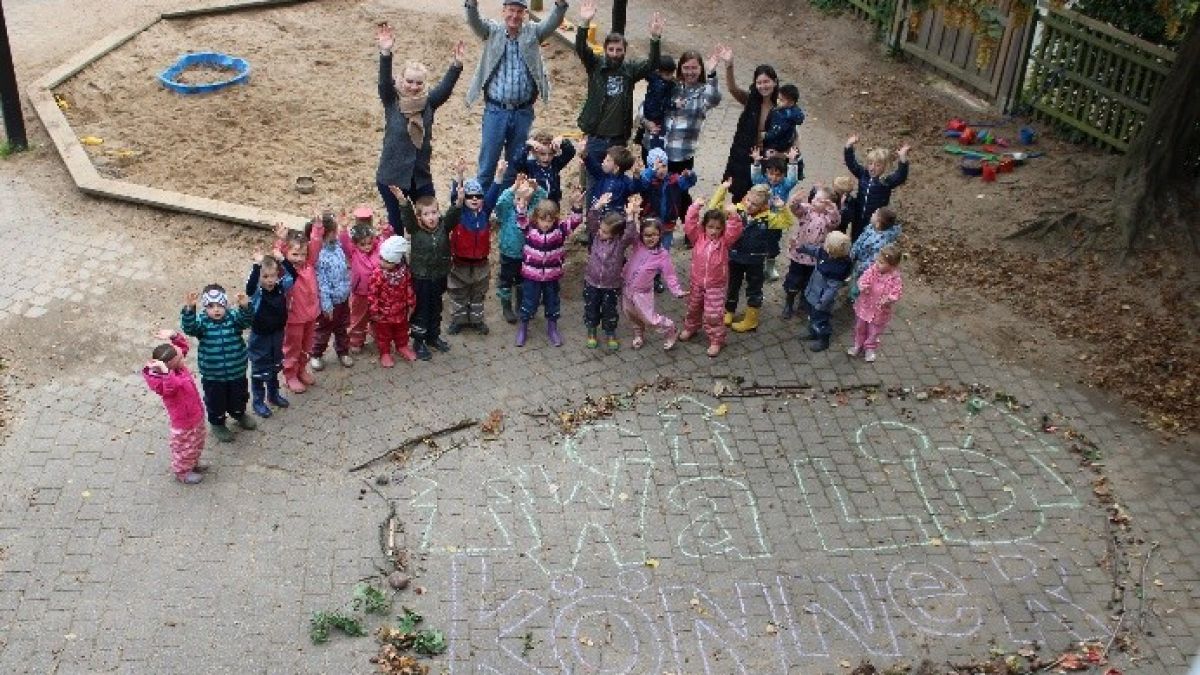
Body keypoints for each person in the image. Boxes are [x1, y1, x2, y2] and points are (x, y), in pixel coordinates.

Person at [463, 0, 569, 193]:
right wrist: (471, 5)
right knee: (488, 164)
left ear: (525, 14)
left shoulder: (533, 32)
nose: (515, 15)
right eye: (511, 10)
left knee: (514, 164)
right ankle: (481, 208)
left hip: (523, 111)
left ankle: (507, 206)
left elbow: (552, 23)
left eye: (520, 11)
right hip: (496, 109)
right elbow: (475, 23)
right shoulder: (492, 31)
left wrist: (560, 5)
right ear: (503, 11)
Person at [375, 23, 465, 234]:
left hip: (420, 176)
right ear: (401, 80)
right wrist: (385, 52)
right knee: (397, 226)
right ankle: (399, 265)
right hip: (392, 177)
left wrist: (456, 65)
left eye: (418, 83)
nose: (413, 86)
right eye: (409, 81)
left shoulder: (428, 103)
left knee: (431, 220)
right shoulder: (392, 100)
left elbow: (445, 89)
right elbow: (383, 82)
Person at [575, 0, 664, 193]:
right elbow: (581, 48)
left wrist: (655, 39)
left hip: (618, 140)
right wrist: (584, 23)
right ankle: (591, 217)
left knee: (614, 183)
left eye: (619, 50)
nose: (615, 54)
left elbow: (652, 64)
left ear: (625, 51)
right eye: (611, 50)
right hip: (596, 137)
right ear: (605, 50)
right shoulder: (596, 65)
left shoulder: (629, 70)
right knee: (592, 183)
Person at [179, 286, 256, 442]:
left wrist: (245, 306)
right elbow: (189, 328)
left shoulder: (234, 318)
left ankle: (238, 413)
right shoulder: (202, 322)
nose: (216, 310)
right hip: (213, 375)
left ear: (226, 305)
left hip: (237, 371)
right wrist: (189, 309)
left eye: (220, 305)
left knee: (239, 396)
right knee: (215, 401)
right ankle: (218, 422)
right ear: (205, 307)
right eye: (211, 306)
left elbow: (247, 321)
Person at [515, 186, 585, 347]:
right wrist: (522, 203)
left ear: (555, 219)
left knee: (552, 302)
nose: (546, 224)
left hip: (552, 276)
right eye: (542, 219)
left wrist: (577, 206)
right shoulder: (529, 230)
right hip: (531, 275)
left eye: (550, 220)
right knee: (528, 302)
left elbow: (575, 221)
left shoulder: (560, 231)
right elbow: (520, 219)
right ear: (536, 218)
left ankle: (552, 328)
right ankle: (523, 328)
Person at [678, 193, 744, 358]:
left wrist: (733, 215)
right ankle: (691, 327)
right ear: (704, 226)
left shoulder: (724, 242)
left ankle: (716, 339)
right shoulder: (698, 238)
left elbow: (735, 231)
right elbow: (689, 225)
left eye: (718, 228)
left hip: (716, 284)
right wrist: (695, 207)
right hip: (697, 282)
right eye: (710, 227)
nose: (714, 231)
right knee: (693, 307)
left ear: (723, 229)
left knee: (713, 313)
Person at [392, 189, 453, 361]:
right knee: (422, 310)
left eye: (434, 212)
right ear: (420, 217)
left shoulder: (443, 227)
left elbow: (455, 214)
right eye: (426, 214)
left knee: (436, 307)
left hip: (439, 275)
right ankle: (419, 341)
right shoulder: (415, 229)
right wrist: (403, 201)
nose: (431, 217)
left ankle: (433, 336)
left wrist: (460, 199)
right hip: (422, 278)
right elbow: (407, 217)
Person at [717, 182, 787, 333]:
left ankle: (751, 320)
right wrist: (722, 190)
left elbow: (786, 222)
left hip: (755, 260)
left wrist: (782, 208)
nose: (749, 206)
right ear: (746, 196)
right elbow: (714, 208)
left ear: (763, 206)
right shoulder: (737, 210)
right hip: (735, 257)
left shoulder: (768, 218)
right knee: (732, 285)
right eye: (748, 200)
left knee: (754, 288)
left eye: (755, 204)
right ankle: (728, 311)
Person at [143, 329, 206, 484]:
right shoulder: (162, 380)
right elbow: (171, 389)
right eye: (180, 359)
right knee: (184, 446)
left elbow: (182, 348)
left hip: (195, 414)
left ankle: (192, 463)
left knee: (197, 441)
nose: (184, 359)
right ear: (170, 365)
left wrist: (174, 336)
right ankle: (183, 472)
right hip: (183, 422)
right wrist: (166, 374)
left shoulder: (177, 368)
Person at [446, 160, 500, 335]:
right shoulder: (459, 214)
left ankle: (477, 320)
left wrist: (499, 175)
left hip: (481, 264)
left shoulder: (485, 211)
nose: (474, 199)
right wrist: (459, 176)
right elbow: (455, 197)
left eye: (478, 196)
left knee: (478, 294)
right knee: (458, 293)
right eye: (470, 196)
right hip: (460, 263)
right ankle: (458, 320)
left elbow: (493, 192)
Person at [720, 47, 779, 202]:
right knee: (740, 201)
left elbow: (792, 136)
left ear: (775, 82)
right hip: (745, 160)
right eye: (759, 83)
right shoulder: (750, 101)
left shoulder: (782, 108)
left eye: (766, 81)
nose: (763, 86)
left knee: (761, 201)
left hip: (767, 162)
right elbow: (733, 89)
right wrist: (729, 65)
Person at [494, 170, 548, 324]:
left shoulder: (532, 211)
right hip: (508, 253)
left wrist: (536, 187)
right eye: (518, 198)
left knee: (522, 281)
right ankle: (506, 307)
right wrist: (513, 187)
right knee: (505, 281)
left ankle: (520, 304)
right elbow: (500, 202)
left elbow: (543, 199)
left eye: (525, 199)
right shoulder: (506, 211)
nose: (521, 202)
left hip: (527, 254)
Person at [245, 250, 295, 417]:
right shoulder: (257, 294)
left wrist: (283, 260)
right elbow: (249, 288)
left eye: (273, 275)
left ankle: (273, 395)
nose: (270, 280)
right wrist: (257, 265)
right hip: (260, 339)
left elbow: (293, 276)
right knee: (260, 371)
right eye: (265, 277)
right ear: (260, 277)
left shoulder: (280, 287)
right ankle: (258, 402)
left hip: (277, 335)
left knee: (274, 367)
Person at [581, 193, 634, 350]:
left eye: (605, 231)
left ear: (616, 234)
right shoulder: (596, 237)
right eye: (601, 229)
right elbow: (591, 220)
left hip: (611, 285)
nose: (600, 232)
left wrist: (630, 215)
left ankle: (610, 331)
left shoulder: (620, 243)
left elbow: (631, 234)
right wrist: (598, 205)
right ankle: (591, 330)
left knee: (610, 310)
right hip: (591, 282)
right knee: (591, 307)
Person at [274, 221, 321, 393]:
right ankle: (290, 375)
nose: (300, 258)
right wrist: (280, 240)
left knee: (307, 346)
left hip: (311, 314)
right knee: (292, 348)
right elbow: (276, 257)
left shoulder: (309, 264)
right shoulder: (284, 270)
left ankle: (302, 369)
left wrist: (317, 227)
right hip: (294, 318)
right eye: (295, 254)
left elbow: (315, 245)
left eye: (303, 254)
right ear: (286, 253)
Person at [340, 206, 394, 354]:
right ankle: (356, 340)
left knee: (378, 315)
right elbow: (344, 242)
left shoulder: (378, 247)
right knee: (358, 318)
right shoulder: (353, 252)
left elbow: (386, 240)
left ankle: (377, 335)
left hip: (378, 291)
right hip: (360, 293)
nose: (366, 247)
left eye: (369, 243)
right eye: (362, 244)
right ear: (356, 244)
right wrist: (344, 228)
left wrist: (386, 229)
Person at [782, 186, 841, 320]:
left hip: (815, 257)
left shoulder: (828, 218)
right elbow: (796, 209)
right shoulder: (807, 210)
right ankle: (789, 302)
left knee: (809, 281)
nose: (814, 201)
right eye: (814, 198)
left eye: (819, 200)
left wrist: (833, 210)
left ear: (828, 205)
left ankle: (804, 301)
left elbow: (835, 222)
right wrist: (794, 201)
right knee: (793, 279)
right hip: (798, 254)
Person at [750, 148, 803, 281]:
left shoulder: (785, 185)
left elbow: (793, 179)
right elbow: (754, 176)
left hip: (776, 222)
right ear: (766, 172)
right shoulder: (762, 182)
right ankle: (756, 265)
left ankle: (770, 266)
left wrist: (792, 161)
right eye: (771, 173)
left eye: (778, 175)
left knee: (773, 245)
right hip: (760, 219)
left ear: (783, 175)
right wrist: (756, 162)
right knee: (758, 242)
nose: (774, 177)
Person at [844, 135, 910, 240]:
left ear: (884, 167)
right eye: (870, 163)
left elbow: (900, 176)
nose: (872, 167)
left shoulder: (885, 182)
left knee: (869, 239)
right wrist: (848, 146)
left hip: (874, 219)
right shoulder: (863, 174)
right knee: (855, 236)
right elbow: (852, 164)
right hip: (859, 214)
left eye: (877, 165)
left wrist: (902, 158)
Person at [311, 212, 354, 371]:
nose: (336, 235)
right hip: (329, 304)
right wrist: (327, 305)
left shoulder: (336, 247)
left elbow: (346, 244)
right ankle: (316, 354)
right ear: (327, 233)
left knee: (342, 328)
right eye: (334, 232)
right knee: (323, 331)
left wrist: (344, 228)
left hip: (342, 299)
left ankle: (343, 351)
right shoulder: (319, 256)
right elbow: (322, 283)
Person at [798, 230, 853, 352]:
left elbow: (831, 290)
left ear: (831, 248)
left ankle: (824, 339)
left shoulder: (836, 269)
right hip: (812, 294)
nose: (823, 244)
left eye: (826, 242)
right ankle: (813, 331)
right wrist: (803, 248)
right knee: (811, 316)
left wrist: (822, 304)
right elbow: (815, 251)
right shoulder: (825, 254)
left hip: (821, 301)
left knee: (820, 321)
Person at [848, 244, 903, 363]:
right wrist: (863, 286)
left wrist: (890, 298)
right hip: (865, 305)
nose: (878, 264)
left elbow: (897, 292)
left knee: (874, 331)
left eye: (882, 262)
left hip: (880, 310)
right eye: (878, 260)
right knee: (859, 327)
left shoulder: (895, 278)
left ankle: (869, 348)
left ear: (892, 266)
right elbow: (862, 279)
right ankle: (858, 344)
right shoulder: (873, 269)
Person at [369, 235, 418, 366]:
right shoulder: (378, 274)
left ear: (397, 262)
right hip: (383, 314)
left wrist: (411, 302)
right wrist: (374, 311)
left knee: (402, 331)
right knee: (383, 335)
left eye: (387, 261)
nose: (382, 263)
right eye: (381, 259)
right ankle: (385, 353)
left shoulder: (404, 272)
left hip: (401, 311)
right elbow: (373, 293)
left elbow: (408, 287)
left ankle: (402, 346)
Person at [849, 207, 902, 302]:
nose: (872, 214)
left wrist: (861, 267)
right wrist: (854, 250)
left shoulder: (882, 242)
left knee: (859, 282)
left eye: (874, 214)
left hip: (864, 267)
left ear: (878, 223)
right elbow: (861, 238)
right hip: (858, 259)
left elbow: (874, 260)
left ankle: (856, 299)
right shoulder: (871, 227)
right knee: (854, 278)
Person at [512, 129, 576, 204]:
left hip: (553, 204)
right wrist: (528, 145)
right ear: (534, 152)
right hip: (534, 205)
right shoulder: (529, 166)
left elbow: (570, 152)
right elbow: (517, 161)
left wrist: (562, 142)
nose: (547, 158)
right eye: (542, 154)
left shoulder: (555, 164)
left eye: (550, 154)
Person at [580, 141, 642, 214]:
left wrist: (636, 176)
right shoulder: (601, 175)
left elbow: (635, 189)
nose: (603, 162)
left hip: (614, 218)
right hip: (597, 213)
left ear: (616, 167)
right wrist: (585, 155)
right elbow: (593, 166)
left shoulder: (625, 181)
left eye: (607, 160)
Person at [633, 54, 675, 160]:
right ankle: (655, 155)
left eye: (671, 74)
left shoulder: (654, 79)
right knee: (656, 136)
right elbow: (663, 103)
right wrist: (674, 104)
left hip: (649, 112)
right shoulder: (661, 86)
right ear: (659, 72)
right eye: (667, 74)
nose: (670, 77)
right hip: (655, 115)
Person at [762, 83, 805, 155]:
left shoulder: (784, 117)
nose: (778, 101)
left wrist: (764, 136)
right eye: (778, 98)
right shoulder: (795, 109)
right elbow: (800, 118)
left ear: (791, 102)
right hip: (787, 138)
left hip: (778, 144)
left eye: (781, 100)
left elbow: (775, 133)